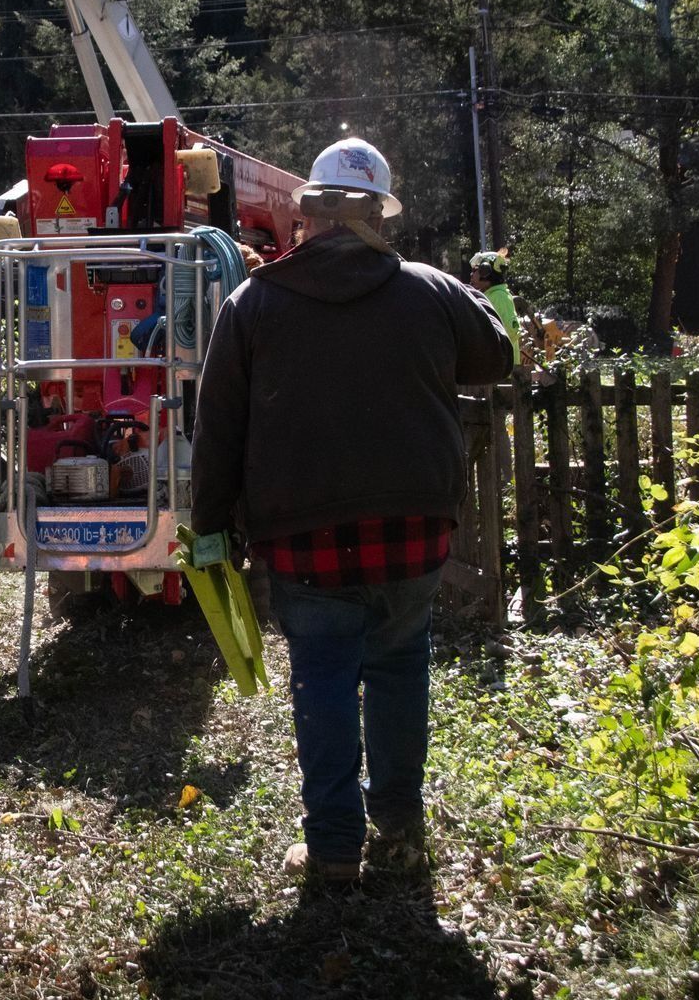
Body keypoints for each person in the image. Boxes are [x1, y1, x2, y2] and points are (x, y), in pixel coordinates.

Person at [191, 137, 513, 885]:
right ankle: (397, 832)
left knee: (324, 681)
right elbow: (498, 356)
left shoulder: (254, 303)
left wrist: (212, 528)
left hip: (303, 540)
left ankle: (334, 848)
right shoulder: (429, 290)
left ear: (307, 215)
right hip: (414, 533)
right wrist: (479, 288)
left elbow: (218, 428)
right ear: (378, 216)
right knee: (399, 672)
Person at [469, 249, 521, 367]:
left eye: (475, 270)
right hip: (498, 367)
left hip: (504, 371)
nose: (471, 274)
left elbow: (510, 331)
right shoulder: (489, 296)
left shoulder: (499, 297)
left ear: (485, 272)